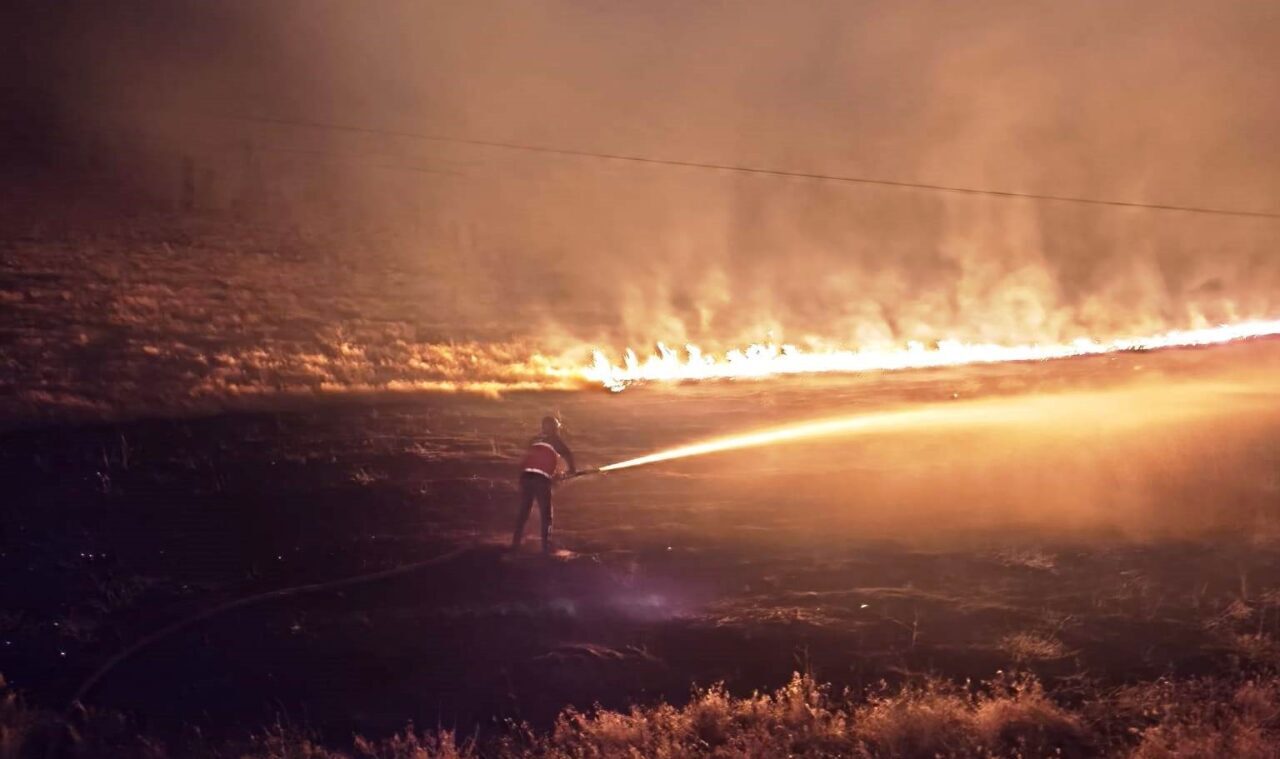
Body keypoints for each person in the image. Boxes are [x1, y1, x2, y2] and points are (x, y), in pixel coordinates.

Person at [512, 415, 576, 553]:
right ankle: (545, 546)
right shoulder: (556, 441)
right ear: (555, 428)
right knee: (546, 514)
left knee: (524, 511)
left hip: (526, 477)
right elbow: (568, 456)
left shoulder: (534, 440)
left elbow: (533, 458)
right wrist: (571, 471)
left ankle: (515, 543)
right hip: (541, 480)